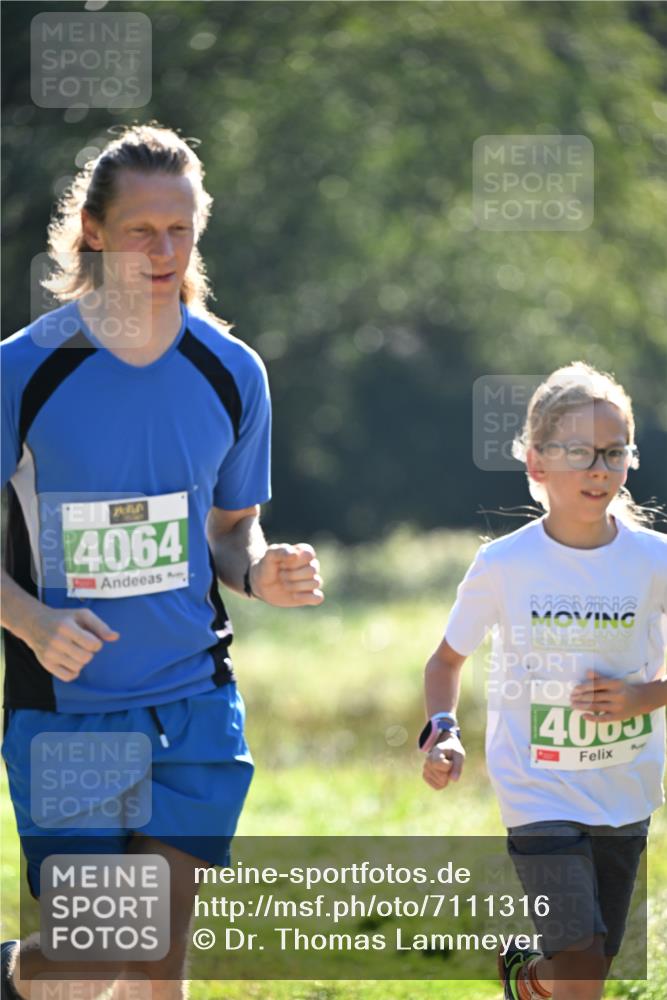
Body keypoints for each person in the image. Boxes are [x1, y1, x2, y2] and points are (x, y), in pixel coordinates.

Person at [1, 123, 323, 1000]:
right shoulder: (23, 372)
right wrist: (30, 621)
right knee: (93, 958)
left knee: (154, 958)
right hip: (68, 713)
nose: (165, 249)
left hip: (191, 701)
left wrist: (261, 570)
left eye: (181, 229)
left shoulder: (231, 370)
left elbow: (230, 530)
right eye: (144, 229)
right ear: (94, 232)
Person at [420, 362, 666, 1000]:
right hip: (538, 789)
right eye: (580, 452)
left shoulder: (653, 560)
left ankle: (527, 980)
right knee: (582, 971)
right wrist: (442, 733)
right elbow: (445, 662)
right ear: (535, 464)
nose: (599, 469)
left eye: (614, 453)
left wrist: (649, 694)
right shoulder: (504, 565)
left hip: (624, 787)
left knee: (588, 969)